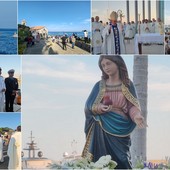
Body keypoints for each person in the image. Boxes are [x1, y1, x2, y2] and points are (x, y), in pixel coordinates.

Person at [82, 55, 146, 169]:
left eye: (108, 63)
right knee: (101, 159)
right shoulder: (99, 85)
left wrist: (136, 116)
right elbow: (89, 105)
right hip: (101, 125)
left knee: (123, 158)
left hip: (121, 126)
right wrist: (99, 107)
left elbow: (132, 106)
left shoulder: (127, 85)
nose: (106, 67)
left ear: (117, 63)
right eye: (103, 65)